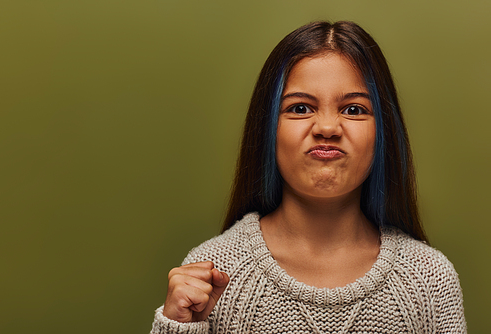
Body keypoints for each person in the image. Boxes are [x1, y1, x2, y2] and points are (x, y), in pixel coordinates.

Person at [150, 21, 467, 333]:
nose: (327, 128)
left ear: (383, 131)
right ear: (268, 129)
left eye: (354, 110)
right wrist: (179, 327)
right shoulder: (212, 272)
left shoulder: (430, 279)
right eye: (300, 108)